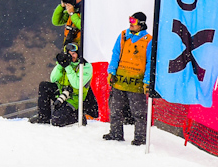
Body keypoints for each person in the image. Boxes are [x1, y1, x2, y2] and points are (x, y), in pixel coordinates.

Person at [104, 12, 152, 145]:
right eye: (130, 20)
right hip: (119, 80)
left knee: (139, 113)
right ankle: (115, 133)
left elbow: (150, 62)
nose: (131, 23)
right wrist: (111, 72)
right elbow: (116, 54)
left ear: (141, 24)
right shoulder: (124, 35)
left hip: (136, 83)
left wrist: (147, 81)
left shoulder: (148, 40)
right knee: (115, 110)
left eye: (134, 21)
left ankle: (140, 138)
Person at [31, 43, 95, 127]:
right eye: (69, 54)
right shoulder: (64, 63)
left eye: (74, 54)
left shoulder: (85, 67)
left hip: (75, 99)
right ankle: (43, 117)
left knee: (57, 120)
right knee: (44, 85)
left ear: (78, 54)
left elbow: (76, 84)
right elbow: (53, 79)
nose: (71, 56)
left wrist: (68, 67)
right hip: (62, 93)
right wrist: (60, 65)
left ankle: (78, 116)